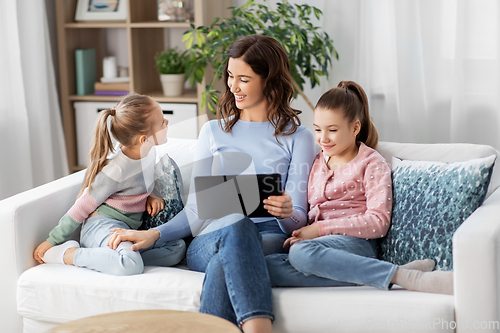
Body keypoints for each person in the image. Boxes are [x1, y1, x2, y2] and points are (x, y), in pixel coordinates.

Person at [107, 35, 316, 333]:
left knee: (227, 259)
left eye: (244, 78)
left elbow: (299, 217)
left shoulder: (299, 137)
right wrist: (153, 234)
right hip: (210, 238)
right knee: (235, 223)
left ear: (269, 80)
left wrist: (285, 212)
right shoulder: (213, 131)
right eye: (230, 76)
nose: (233, 86)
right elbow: (197, 210)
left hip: (268, 238)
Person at [265, 81, 454, 295]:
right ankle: (376, 275)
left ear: (355, 127)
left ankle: (405, 277)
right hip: (320, 249)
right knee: (265, 266)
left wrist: (318, 230)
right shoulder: (316, 162)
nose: (323, 138)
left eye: (332, 130)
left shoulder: (371, 163)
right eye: (318, 129)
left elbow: (378, 222)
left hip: (356, 244)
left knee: (300, 253)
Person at [33, 93, 186, 276]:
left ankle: (113, 258)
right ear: (143, 139)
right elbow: (81, 207)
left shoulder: (149, 153)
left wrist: (151, 195)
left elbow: (142, 180)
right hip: (101, 226)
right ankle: (68, 254)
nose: (167, 122)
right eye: (162, 122)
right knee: (131, 266)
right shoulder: (116, 170)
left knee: (177, 247)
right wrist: (52, 241)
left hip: (126, 230)